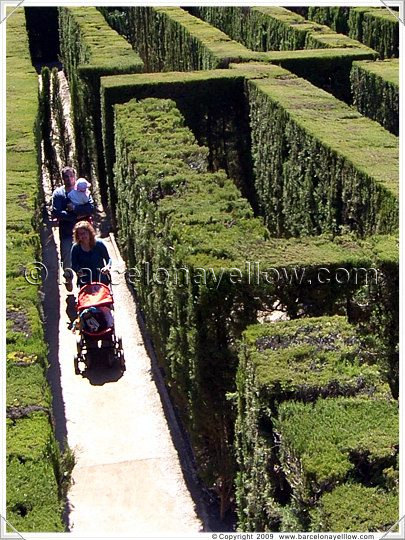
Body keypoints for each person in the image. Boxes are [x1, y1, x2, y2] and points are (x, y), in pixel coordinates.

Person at [52, 167, 94, 291]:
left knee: (87, 253)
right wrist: (75, 216)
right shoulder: (59, 194)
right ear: (62, 178)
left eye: (71, 176)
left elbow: (90, 208)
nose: (69, 179)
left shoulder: (83, 191)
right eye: (66, 177)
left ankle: (86, 281)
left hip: (84, 231)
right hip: (67, 232)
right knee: (67, 256)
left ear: (75, 177)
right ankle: (69, 278)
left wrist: (74, 210)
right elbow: (57, 212)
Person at [71, 221, 112, 287]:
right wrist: (78, 270)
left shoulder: (99, 244)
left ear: (89, 232)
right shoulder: (76, 248)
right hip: (85, 281)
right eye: (80, 234)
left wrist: (107, 267)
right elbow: (74, 264)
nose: (83, 236)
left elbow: (108, 259)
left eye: (84, 233)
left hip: (101, 279)